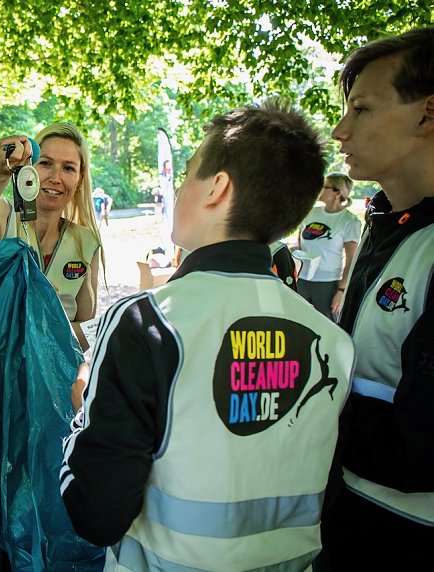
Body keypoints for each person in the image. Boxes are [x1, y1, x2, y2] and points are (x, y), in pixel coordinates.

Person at [60, 101, 356, 570]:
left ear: (217, 188)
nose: (178, 190)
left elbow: (95, 514)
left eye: (187, 177)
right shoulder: (334, 341)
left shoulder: (146, 322)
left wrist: (82, 412)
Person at [319, 27, 434, 568]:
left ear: (427, 113)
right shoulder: (387, 222)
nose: (340, 131)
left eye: (361, 109)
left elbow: (422, 448)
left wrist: (308, 394)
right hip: (352, 518)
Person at [0, 123, 104, 351]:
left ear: (80, 180)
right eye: (45, 163)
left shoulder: (86, 242)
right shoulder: (2, 215)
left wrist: (44, 318)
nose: (56, 177)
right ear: (29, 168)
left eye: (68, 168)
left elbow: (87, 333)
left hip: (54, 381)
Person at [294, 173, 361, 320]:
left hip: (327, 283)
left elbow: (351, 260)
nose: (319, 189)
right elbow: (300, 244)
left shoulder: (349, 221)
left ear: (337, 193)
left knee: (324, 326)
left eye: (324, 187)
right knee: (299, 321)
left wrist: (341, 290)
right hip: (301, 279)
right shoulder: (311, 213)